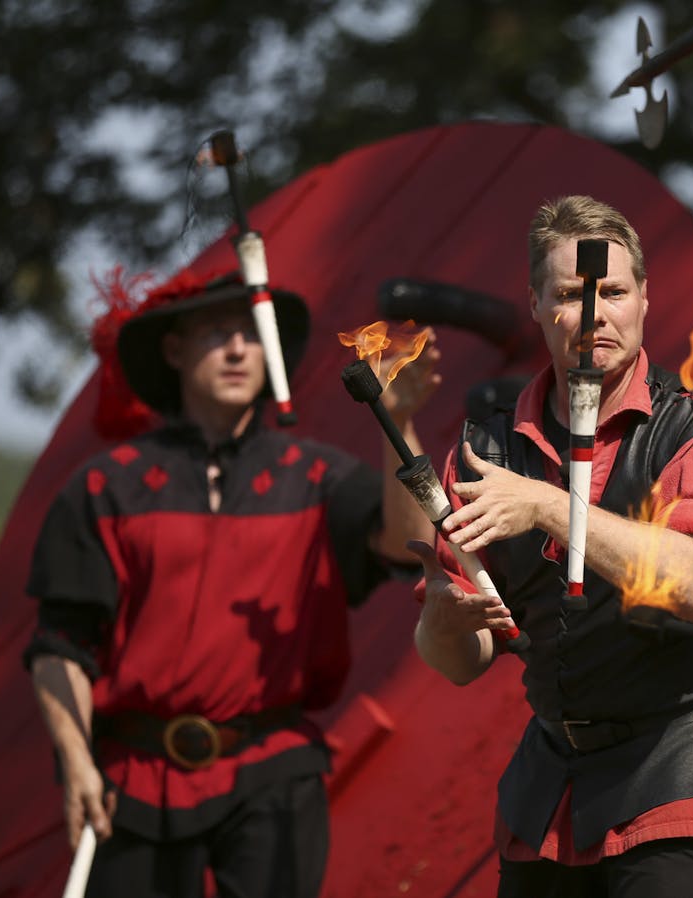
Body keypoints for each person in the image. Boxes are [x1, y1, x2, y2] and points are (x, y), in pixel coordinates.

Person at [24, 269, 440, 898]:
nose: (239, 349)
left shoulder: (318, 475)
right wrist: (76, 764)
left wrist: (398, 421)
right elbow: (60, 647)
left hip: (272, 772)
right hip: (132, 780)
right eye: (219, 333)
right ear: (174, 350)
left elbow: (404, 543)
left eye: (251, 334)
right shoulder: (105, 487)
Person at [408, 195, 693, 897]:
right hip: (550, 783)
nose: (593, 313)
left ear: (643, 300)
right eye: (570, 294)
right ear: (538, 306)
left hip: (678, 769)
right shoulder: (485, 450)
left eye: (612, 292)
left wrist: (548, 506)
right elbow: (459, 662)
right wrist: (443, 622)